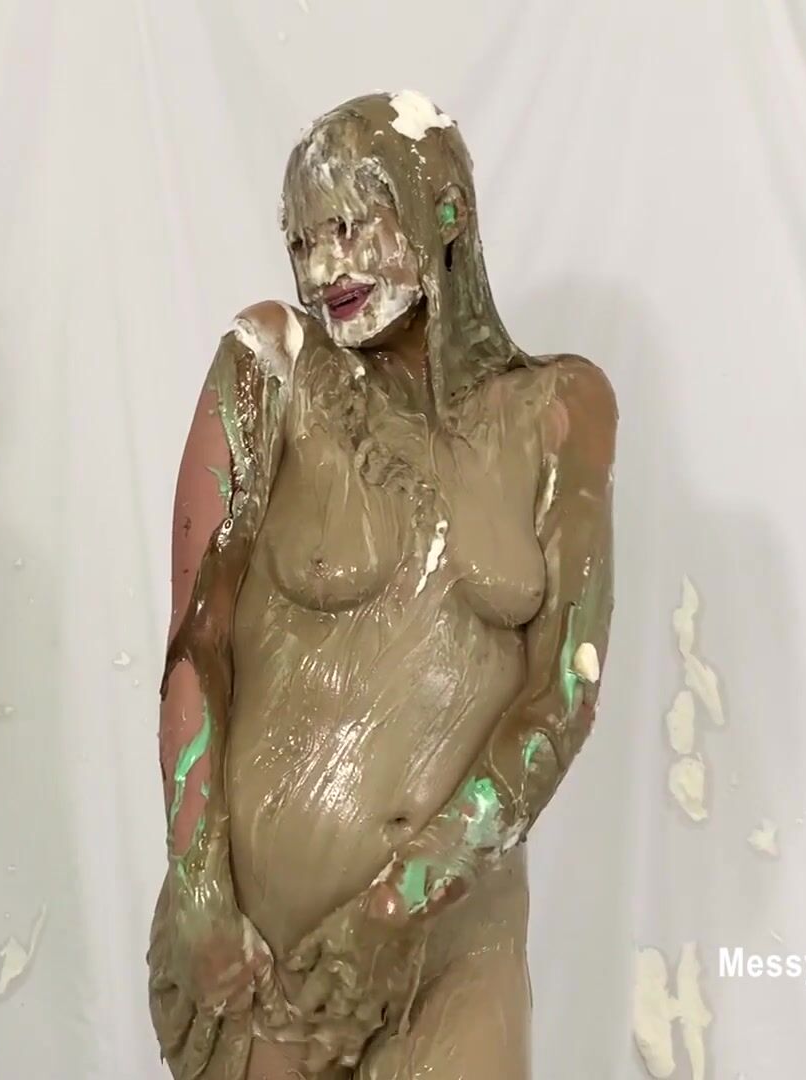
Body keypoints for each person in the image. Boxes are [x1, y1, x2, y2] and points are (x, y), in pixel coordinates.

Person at [147, 91, 616, 1079]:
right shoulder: (270, 366)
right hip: (274, 956)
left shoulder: (559, 410)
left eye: (350, 227)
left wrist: (398, 906)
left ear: (444, 211)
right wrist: (195, 886)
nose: (323, 270)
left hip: (457, 940)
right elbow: (196, 644)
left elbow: (561, 698)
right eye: (300, 241)